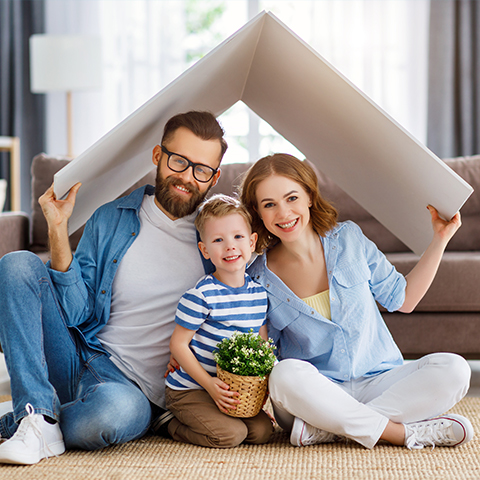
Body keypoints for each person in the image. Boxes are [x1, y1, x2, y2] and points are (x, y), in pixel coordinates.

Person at [0, 111, 227, 465]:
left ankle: (33, 415)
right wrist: (59, 232)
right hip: (79, 355)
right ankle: (36, 415)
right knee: (16, 264)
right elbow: (77, 312)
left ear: (214, 177)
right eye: (179, 161)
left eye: (201, 170)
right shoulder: (112, 218)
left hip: (133, 393)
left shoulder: (219, 238)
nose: (186, 177)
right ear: (158, 156)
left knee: (111, 415)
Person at [240, 153, 473, 450]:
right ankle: (399, 433)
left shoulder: (348, 238)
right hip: (317, 393)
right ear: (258, 213)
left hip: (380, 380)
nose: (283, 213)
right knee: (284, 375)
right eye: (269, 204)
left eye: (291, 198)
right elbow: (264, 354)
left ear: (310, 196)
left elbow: (404, 299)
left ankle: (330, 429)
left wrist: (440, 239)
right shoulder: (257, 277)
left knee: (454, 369)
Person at [165, 194, 274, 448]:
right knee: (230, 435)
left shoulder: (258, 294)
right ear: (205, 250)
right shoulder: (201, 295)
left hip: (232, 388)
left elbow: (261, 342)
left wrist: (260, 384)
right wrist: (210, 385)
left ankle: (221, 414)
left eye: (238, 237)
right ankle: (168, 423)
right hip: (192, 388)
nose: (230, 246)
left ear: (252, 241)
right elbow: (178, 345)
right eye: (218, 240)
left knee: (261, 432)